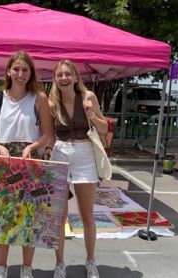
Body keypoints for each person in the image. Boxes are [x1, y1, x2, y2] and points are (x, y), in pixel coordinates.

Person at [0, 50, 53, 278]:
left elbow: (48, 134)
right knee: (2, 218)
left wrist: (32, 147)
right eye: (17, 69)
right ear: (8, 71)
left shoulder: (39, 98)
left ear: (30, 73)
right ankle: (1, 269)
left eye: (25, 70)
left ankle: (27, 269)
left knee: (28, 218)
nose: (20, 74)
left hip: (29, 160)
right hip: (3, 161)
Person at [48, 60, 108, 278]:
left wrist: (91, 114)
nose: (63, 78)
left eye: (67, 74)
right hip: (60, 152)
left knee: (86, 214)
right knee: (59, 216)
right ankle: (59, 263)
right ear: (55, 79)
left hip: (85, 153)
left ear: (75, 77)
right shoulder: (52, 102)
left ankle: (91, 261)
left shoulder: (88, 97)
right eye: (59, 75)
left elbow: (103, 128)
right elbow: (47, 134)